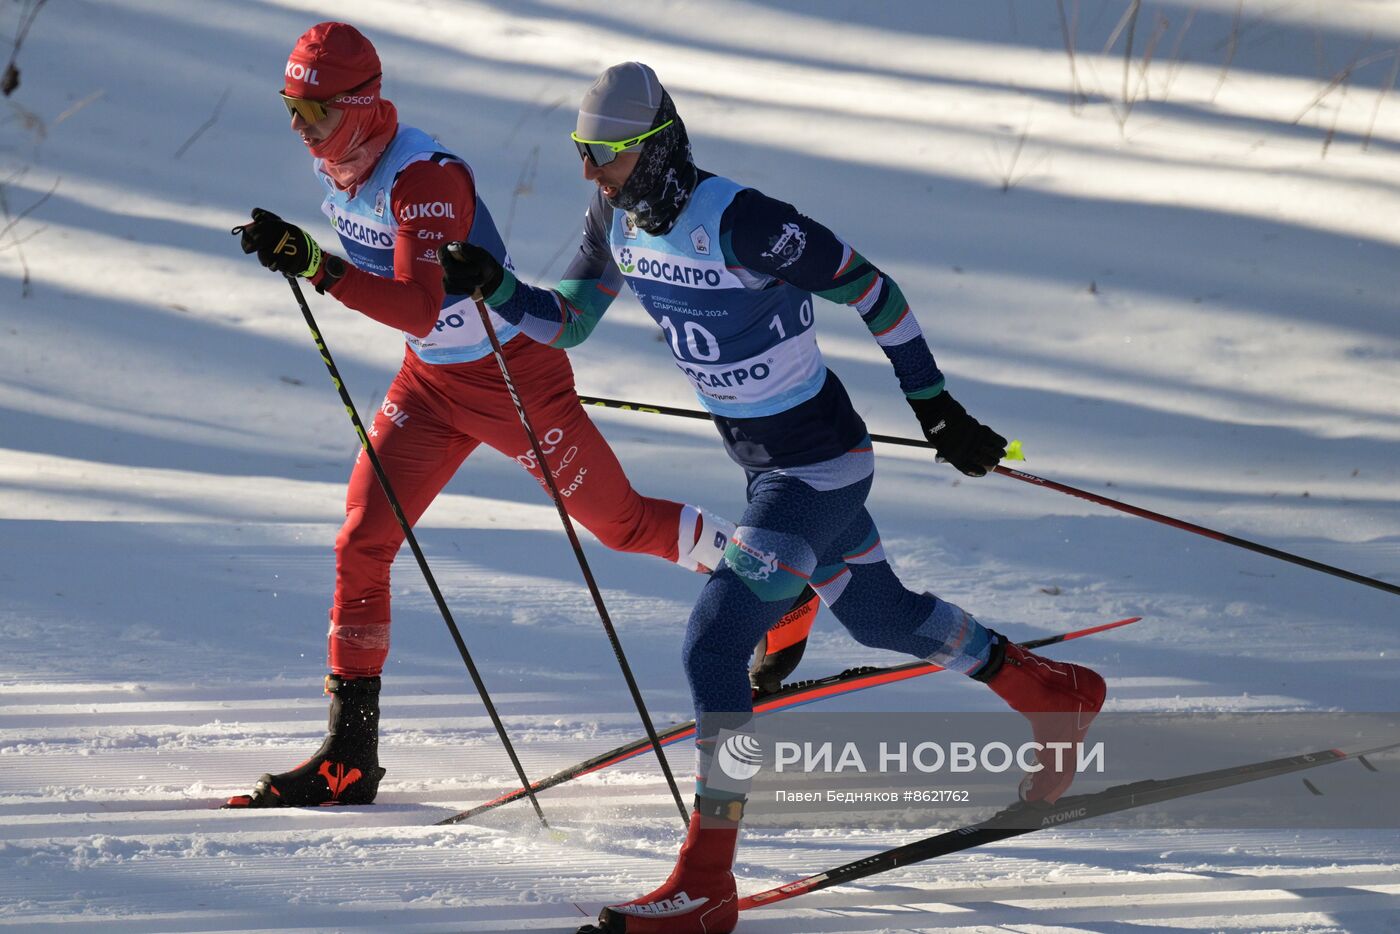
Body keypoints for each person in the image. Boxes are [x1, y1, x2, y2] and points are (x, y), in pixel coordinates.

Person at [440, 62, 1108, 934]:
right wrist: (496, 287)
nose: (589, 174)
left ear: (655, 148)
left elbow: (875, 291)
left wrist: (937, 407)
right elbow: (566, 321)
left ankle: (707, 881)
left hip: (819, 467)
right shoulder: (616, 216)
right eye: (581, 152)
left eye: (603, 156)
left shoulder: (746, 222)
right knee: (878, 616)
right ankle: (1050, 692)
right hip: (767, 470)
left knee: (714, 648)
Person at [224, 27, 816, 810]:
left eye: (317, 111)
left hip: (514, 383)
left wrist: (314, 264)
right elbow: (414, 322)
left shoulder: (424, 180)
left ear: (362, 106)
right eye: (291, 107)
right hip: (432, 385)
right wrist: (303, 256)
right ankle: (349, 753)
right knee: (361, 538)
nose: (301, 126)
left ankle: (778, 586)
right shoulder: (343, 163)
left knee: (625, 525)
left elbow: (416, 302)